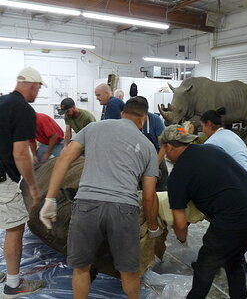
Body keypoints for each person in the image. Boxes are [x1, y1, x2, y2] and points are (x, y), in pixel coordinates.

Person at [39, 96, 163, 299]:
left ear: (123, 114)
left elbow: (65, 157)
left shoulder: (94, 128)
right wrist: (152, 226)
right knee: (129, 272)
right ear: (143, 119)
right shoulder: (148, 147)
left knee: (81, 269)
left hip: (87, 205)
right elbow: (149, 196)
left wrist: (50, 199)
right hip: (125, 209)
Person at [160, 124, 247, 299]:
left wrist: (182, 238)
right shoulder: (211, 149)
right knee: (234, 257)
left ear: (169, 147)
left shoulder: (178, 175)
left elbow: (180, 221)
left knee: (206, 265)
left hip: (233, 221)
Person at [0, 67, 46, 298]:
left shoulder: (1, 101)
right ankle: (13, 285)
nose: (37, 92)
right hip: (2, 177)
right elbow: (20, 153)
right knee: (15, 227)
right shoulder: (23, 108)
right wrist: (34, 186)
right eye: (38, 88)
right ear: (32, 85)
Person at [200, 107, 247, 192]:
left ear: (208, 124)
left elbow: (208, 172)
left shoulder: (211, 143)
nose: (203, 130)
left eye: (202, 126)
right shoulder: (231, 134)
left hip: (245, 188)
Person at [139, 96, 168, 191]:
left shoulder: (155, 120)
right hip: (137, 154)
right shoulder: (129, 122)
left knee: (162, 173)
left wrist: (155, 165)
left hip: (156, 154)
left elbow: (164, 145)